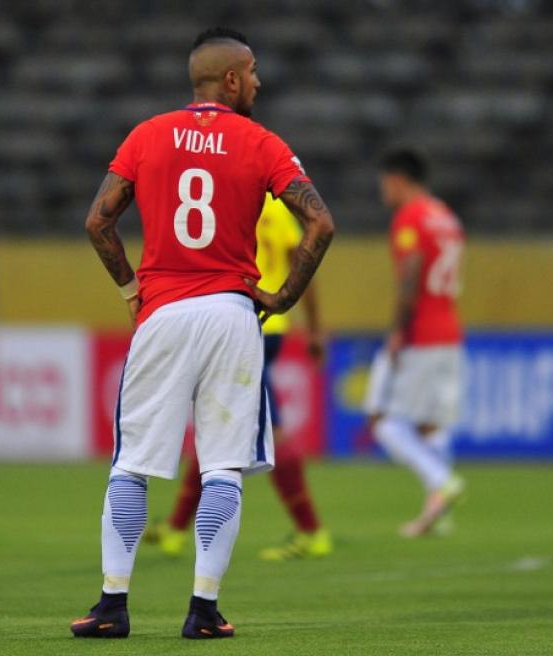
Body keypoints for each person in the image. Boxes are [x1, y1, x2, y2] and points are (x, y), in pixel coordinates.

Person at [71, 28, 334, 640]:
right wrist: (284, 296)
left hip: (162, 311)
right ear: (233, 80)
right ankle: (203, 610)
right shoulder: (262, 142)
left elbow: (97, 221)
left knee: (131, 465)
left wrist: (132, 292)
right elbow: (320, 222)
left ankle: (112, 605)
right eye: (254, 72)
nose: (260, 83)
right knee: (222, 467)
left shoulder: (147, 134)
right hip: (231, 314)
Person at [144, 193, 333, 561]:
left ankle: (312, 531)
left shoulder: (228, 197)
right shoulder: (276, 208)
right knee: (217, 424)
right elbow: (302, 263)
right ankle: (176, 527)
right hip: (265, 323)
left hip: (245, 324)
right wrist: (312, 329)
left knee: (265, 429)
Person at [364, 148, 465, 538]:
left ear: (398, 180)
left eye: (384, 183)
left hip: (421, 334)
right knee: (430, 425)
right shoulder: (446, 217)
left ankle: (443, 480)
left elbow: (410, 273)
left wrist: (397, 330)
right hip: (449, 331)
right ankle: (438, 513)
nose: (382, 191)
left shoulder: (411, 217)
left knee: (383, 421)